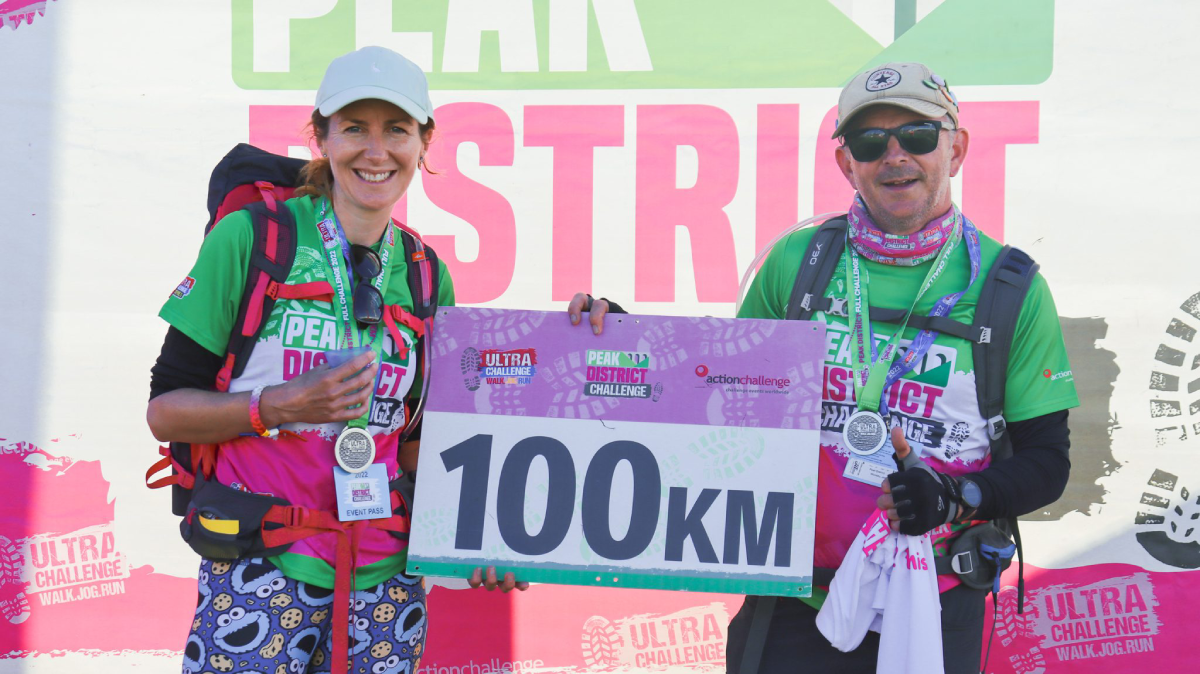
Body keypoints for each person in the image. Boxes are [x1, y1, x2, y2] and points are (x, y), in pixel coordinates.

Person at [569, 62, 1079, 673]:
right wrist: (631, 344)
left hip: (935, 599)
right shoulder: (797, 261)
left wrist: (956, 494)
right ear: (847, 163)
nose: (895, 155)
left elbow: (1047, 463)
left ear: (956, 147)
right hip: (793, 596)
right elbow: (721, 394)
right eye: (870, 141)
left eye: (917, 134)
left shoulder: (1008, 287)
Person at [148, 46, 519, 674]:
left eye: (397, 129)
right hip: (260, 567)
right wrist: (280, 406)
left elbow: (420, 443)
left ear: (423, 143)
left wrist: (482, 531)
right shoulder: (255, 237)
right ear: (320, 136)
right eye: (354, 127)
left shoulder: (428, 275)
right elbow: (167, 413)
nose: (376, 151)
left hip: (385, 583)